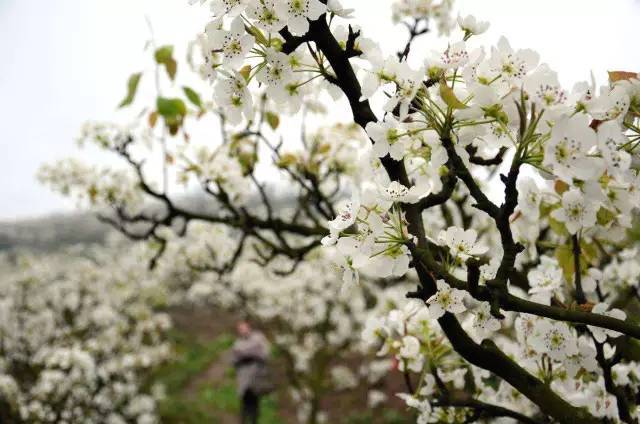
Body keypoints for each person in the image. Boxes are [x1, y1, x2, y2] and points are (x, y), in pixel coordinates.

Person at [231, 319, 271, 424]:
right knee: (245, 403)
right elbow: (234, 359)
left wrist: (252, 355)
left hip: (256, 375)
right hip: (243, 376)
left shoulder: (259, 337)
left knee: (255, 402)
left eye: (244, 328)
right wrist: (243, 357)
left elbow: (265, 353)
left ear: (249, 327)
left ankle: (254, 421)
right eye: (240, 329)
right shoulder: (237, 343)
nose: (242, 330)